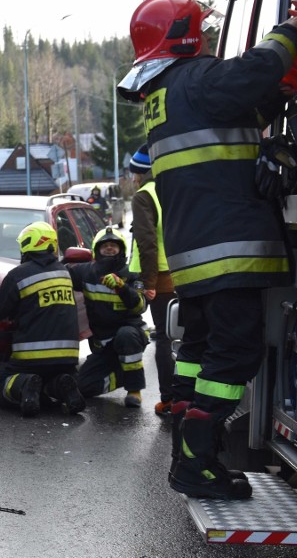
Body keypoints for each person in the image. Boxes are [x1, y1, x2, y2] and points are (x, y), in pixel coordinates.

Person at [118, 0, 297, 499]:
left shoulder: (164, 94)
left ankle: (188, 454)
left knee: (198, 353)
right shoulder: (200, 79)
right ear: (189, 33)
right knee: (235, 353)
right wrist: (294, 25)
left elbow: (241, 106)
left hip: (195, 257)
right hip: (229, 251)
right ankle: (197, 463)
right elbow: (262, 65)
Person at [0, 221, 86, 417]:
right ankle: (62, 386)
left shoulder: (19, 275)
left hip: (31, 358)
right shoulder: (65, 272)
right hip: (67, 358)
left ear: (27, 245)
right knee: (50, 378)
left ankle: (23, 384)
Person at [69, 227, 148, 408]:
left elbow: (141, 306)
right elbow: (60, 274)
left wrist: (122, 287)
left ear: (121, 250)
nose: (110, 248)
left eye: (114, 245)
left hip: (130, 337)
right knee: (82, 387)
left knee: (126, 335)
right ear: (97, 250)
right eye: (105, 246)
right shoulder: (85, 272)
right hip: (103, 344)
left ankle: (134, 390)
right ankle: (122, 375)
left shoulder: (132, 274)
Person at [127, 143, 175, 416]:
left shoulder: (144, 196)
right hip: (185, 274)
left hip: (160, 279)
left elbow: (147, 244)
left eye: (134, 173)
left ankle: (168, 399)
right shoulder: (174, 189)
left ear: (142, 173)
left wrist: (150, 284)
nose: (133, 179)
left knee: (164, 338)